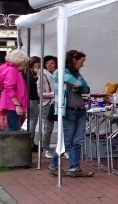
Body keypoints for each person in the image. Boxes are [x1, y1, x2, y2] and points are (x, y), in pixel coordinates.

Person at [48, 50, 93, 178]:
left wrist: (77, 84)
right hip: (68, 110)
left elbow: (86, 89)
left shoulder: (76, 73)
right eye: (81, 62)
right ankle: (54, 165)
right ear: (74, 60)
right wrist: (78, 84)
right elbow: (80, 84)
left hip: (80, 110)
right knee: (67, 141)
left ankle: (75, 167)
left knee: (77, 141)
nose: (82, 65)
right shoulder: (60, 72)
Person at [0, 49, 30, 132]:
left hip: (9, 102)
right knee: (14, 128)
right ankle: (5, 144)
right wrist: (17, 105)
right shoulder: (11, 71)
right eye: (24, 61)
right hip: (11, 103)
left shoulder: (8, 69)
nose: (24, 63)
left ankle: (4, 143)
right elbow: (9, 89)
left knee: (13, 126)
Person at [39, 55, 56, 159]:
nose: (49, 65)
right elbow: (40, 93)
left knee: (64, 127)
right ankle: (45, 149)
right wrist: (53, 94)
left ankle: (64, 149)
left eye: (52, 63)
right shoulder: (43, 76)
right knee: (48, 128)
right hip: (47, 104)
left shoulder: (57, 75)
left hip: (57, 104)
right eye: (47, 63)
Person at [26, 56, 41, 150]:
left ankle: (30, 141)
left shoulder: (27, 73)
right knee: (32, 121)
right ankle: (30, 142)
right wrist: (38, 74)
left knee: (31, 121)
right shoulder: (28, 73)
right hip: (31, 99)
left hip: (31, 99)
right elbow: (37, 82)